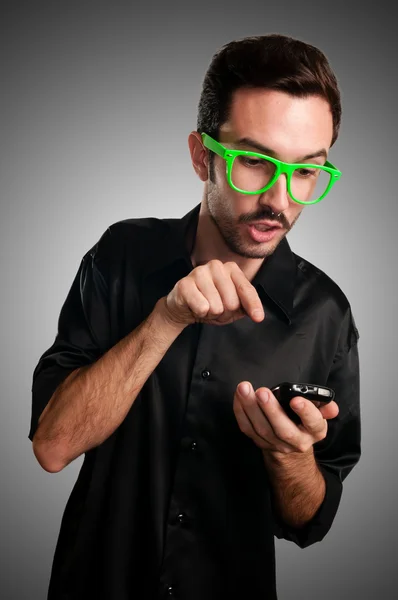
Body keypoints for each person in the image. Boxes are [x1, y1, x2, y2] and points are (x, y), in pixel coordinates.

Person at [29, 33, 361, 600]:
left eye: (307, 171)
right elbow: (53, 446)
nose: (281, 199)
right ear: (202, 155)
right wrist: (165, 319)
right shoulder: (122, 255)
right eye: (255, 161)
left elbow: (311, 520)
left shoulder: (326, 312)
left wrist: (290, 458)